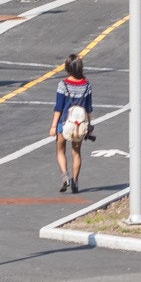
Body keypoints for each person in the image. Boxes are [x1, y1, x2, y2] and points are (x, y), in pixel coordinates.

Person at [49, 54, 93, 193]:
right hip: (79, 125)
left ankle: (65, 177)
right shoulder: (87, 85)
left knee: (60, 150)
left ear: (67, 68)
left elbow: (58, 107)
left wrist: (53, 126)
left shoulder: (63, 85)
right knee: (76, 153)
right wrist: (89, 125)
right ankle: (75, 181)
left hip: (64, 123)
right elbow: (88, 108)